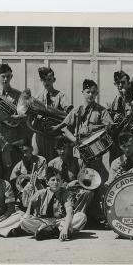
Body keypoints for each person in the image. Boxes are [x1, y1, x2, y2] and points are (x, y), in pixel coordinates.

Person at [54, 79, 113, 225]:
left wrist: (94, 129)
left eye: (93, 92)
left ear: (97, 93)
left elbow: (109, 126)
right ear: (82, 92)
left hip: (95, 156)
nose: (91, 95)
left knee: (96, 184)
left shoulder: (101, 111)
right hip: (79, 155)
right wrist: (74, 139)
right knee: (80, 183)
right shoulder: (77, 111)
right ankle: (79, 213)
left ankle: (96, 216)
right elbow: (64, 128)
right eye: (88, 92)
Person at [0, 167, 89, 241]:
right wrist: (28, 193)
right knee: (24, 220)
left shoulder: (66, 193)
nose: (56, 182)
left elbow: (69, 212)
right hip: (43, 222)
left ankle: (53, 232)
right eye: (53, 180)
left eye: (58, 180)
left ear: (61, 182)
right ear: (47, 182)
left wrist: (65, 228)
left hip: (60, 222)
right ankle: (52, 232)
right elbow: (27, 211)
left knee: (81, 216)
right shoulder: (40, 193)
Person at [0, 63, 32, 180]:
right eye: (3, 76)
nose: (5, 79)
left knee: (12, 174)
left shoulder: (18, 95)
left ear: (11, 76)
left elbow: (25, 116)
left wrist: (14, 117)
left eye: (8, 76)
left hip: (13, 141)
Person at [34, 67, 70, 161]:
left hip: (56, 136)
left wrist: (51, 111)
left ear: (54, 80)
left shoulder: (61, 96)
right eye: (44, 80)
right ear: (41, 81)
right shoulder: (38, 97)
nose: (47, 82)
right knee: (39, 160)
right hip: (41, 135)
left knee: (55, 162)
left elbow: (70, 114)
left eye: (49, 79)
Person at [107, 70, 133, 163]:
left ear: (128, 83)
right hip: (116, 143)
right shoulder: (112, 103)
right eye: (117, 83)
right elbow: (107, 125)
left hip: (131, 142)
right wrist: (112, 121)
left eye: (123, 82)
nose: (120, 85)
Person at [9, 141, 47, 207]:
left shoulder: (41, 160)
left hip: (39, 192)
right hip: (24, 195)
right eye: (21, 153)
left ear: (31, 149)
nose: (24, 155)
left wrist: (25, 176)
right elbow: (13, 182)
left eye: (26, 151)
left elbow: (42, 178)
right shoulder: (18, 166)